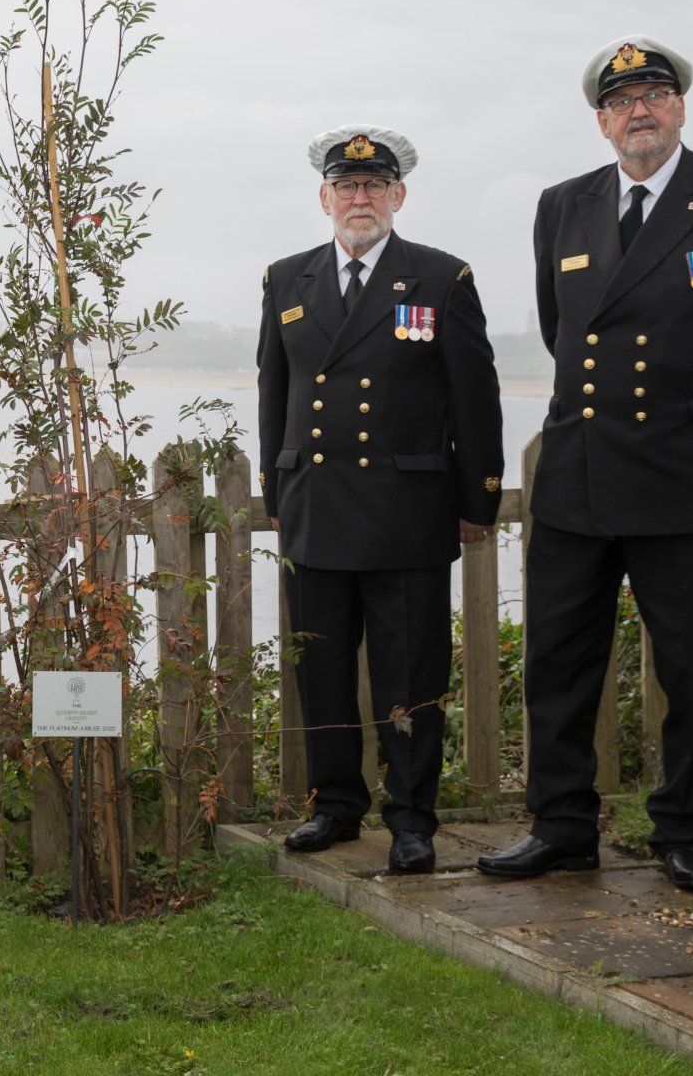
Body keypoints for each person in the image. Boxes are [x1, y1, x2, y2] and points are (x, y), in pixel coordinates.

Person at [477, 36, 693, 893]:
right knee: (558, 660)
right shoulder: (563, 206)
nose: (641, 110)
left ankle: (686, 832)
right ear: (602, 120)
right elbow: (563, 329)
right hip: (583, 473)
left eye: (656, 95)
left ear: (680, 109)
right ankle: (561, 827)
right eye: (624, 100)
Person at [258, 125, 503, 874]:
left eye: (374, 185)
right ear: (324, 198)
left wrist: (479, 499)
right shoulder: (286, 279)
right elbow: (276, 390)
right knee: (322, 671)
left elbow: (476, 398)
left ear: (398, 196)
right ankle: (335, 805)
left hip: (406, 510)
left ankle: (410, 815)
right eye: (346, 185)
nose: (359, 198)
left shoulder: (440, 278)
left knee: (408, 674)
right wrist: (278, 486)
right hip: (318, 507)